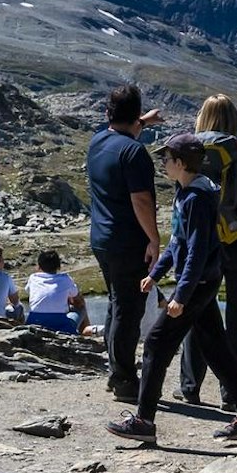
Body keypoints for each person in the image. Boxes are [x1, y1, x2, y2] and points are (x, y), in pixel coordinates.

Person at [105, 134, 237, 445]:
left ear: (180, 163)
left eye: (166, 159)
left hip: (198, 284)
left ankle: (144, 421)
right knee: (216, 349)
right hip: (201, 282)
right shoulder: (186, 192)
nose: (163, 164)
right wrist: (156, 273)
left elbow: (197, 252)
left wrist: (181, 295)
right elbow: (178, 241)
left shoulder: (195, 200)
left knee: (155, 343)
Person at [178, 94, 237, 408]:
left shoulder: (190, 151)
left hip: (202, 245)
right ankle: (233, 395)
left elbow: (181, 207)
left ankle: (190, 387)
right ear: (234, 120)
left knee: (197, 312)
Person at [86, 84, 163, 403]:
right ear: (134, 115)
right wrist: (154, 239)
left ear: (108, 113)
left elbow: (123, 130)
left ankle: (115, 371)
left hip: (102, 240)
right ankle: (124, 379)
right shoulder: (134, 153)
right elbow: (141, 201)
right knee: (128, 311)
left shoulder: (97, 141)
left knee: (117, 304)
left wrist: (142, 121)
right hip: (127, 241)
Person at [25, 249, 85, 333]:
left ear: (39, 266)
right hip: (59, 325)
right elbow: (77, 300)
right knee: (81, 308)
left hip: (34, 322)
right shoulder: (66, 279)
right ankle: (84, 333)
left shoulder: (33, 278)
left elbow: (29, 292)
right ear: (58, 266)